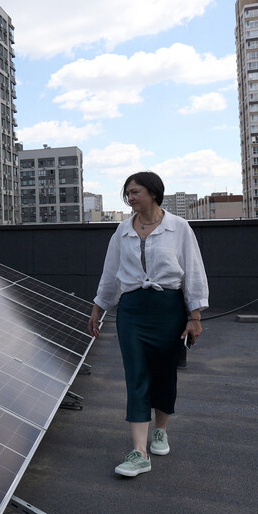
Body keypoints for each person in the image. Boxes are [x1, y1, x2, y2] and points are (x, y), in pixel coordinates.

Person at [88, 171, 208, 477]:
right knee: (136, 375)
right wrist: (97, 309)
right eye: (127, 193)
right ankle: (139, 453)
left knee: (165, 374)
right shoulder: (122, 231)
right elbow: (110, 273)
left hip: (168, 309)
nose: (130, 197)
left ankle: (160, 430)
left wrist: (194, 317)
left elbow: (193, 272)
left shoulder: (178, 227)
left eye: (135, 192)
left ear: (153, 193)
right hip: (132, 311)